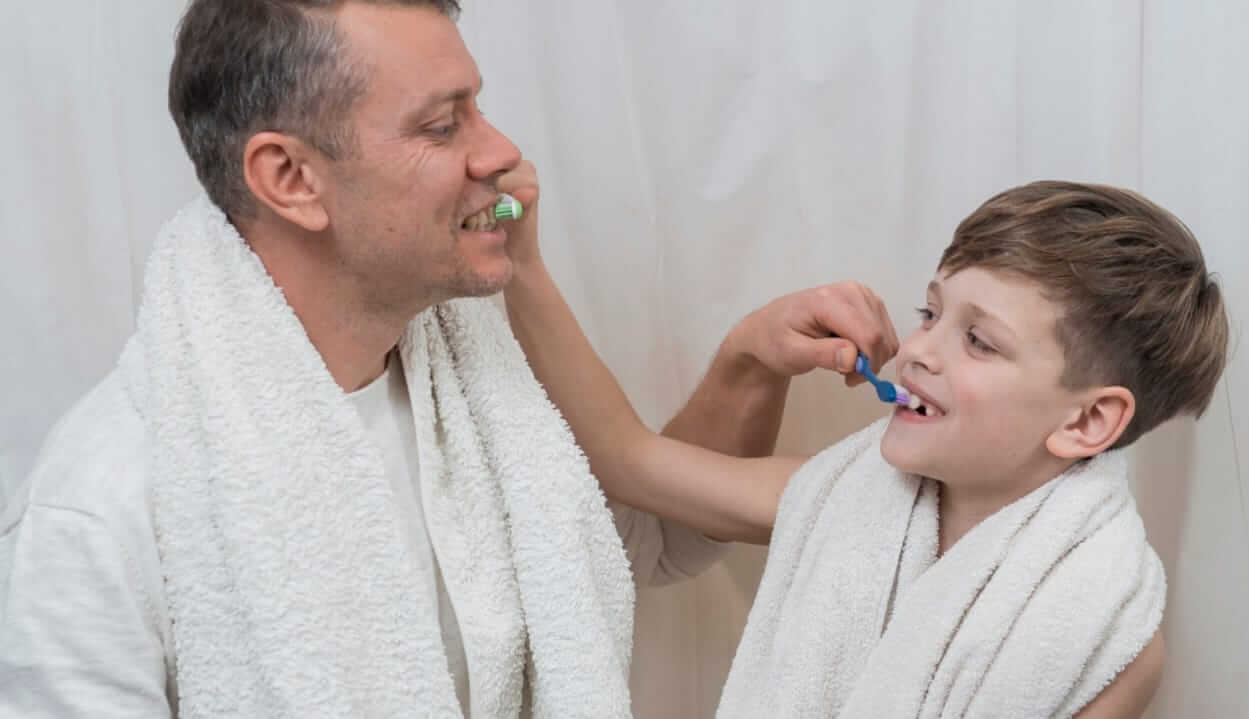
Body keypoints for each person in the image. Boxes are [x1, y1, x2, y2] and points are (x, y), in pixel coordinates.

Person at [0, 2, 899, 718]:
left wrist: (747, 364)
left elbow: (647, 542)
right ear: (290, 179)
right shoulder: (103, 514)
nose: (502, 151)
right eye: (442, 124)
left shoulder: (476, 388)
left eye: (478, 103)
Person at [505, 179, 1230, 718]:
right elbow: (626, 458)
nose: (917, 351)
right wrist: (522, 270)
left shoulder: (1107, 634)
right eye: (931, 312)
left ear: (1088, 421)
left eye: (978, 340)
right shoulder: (838, 497)